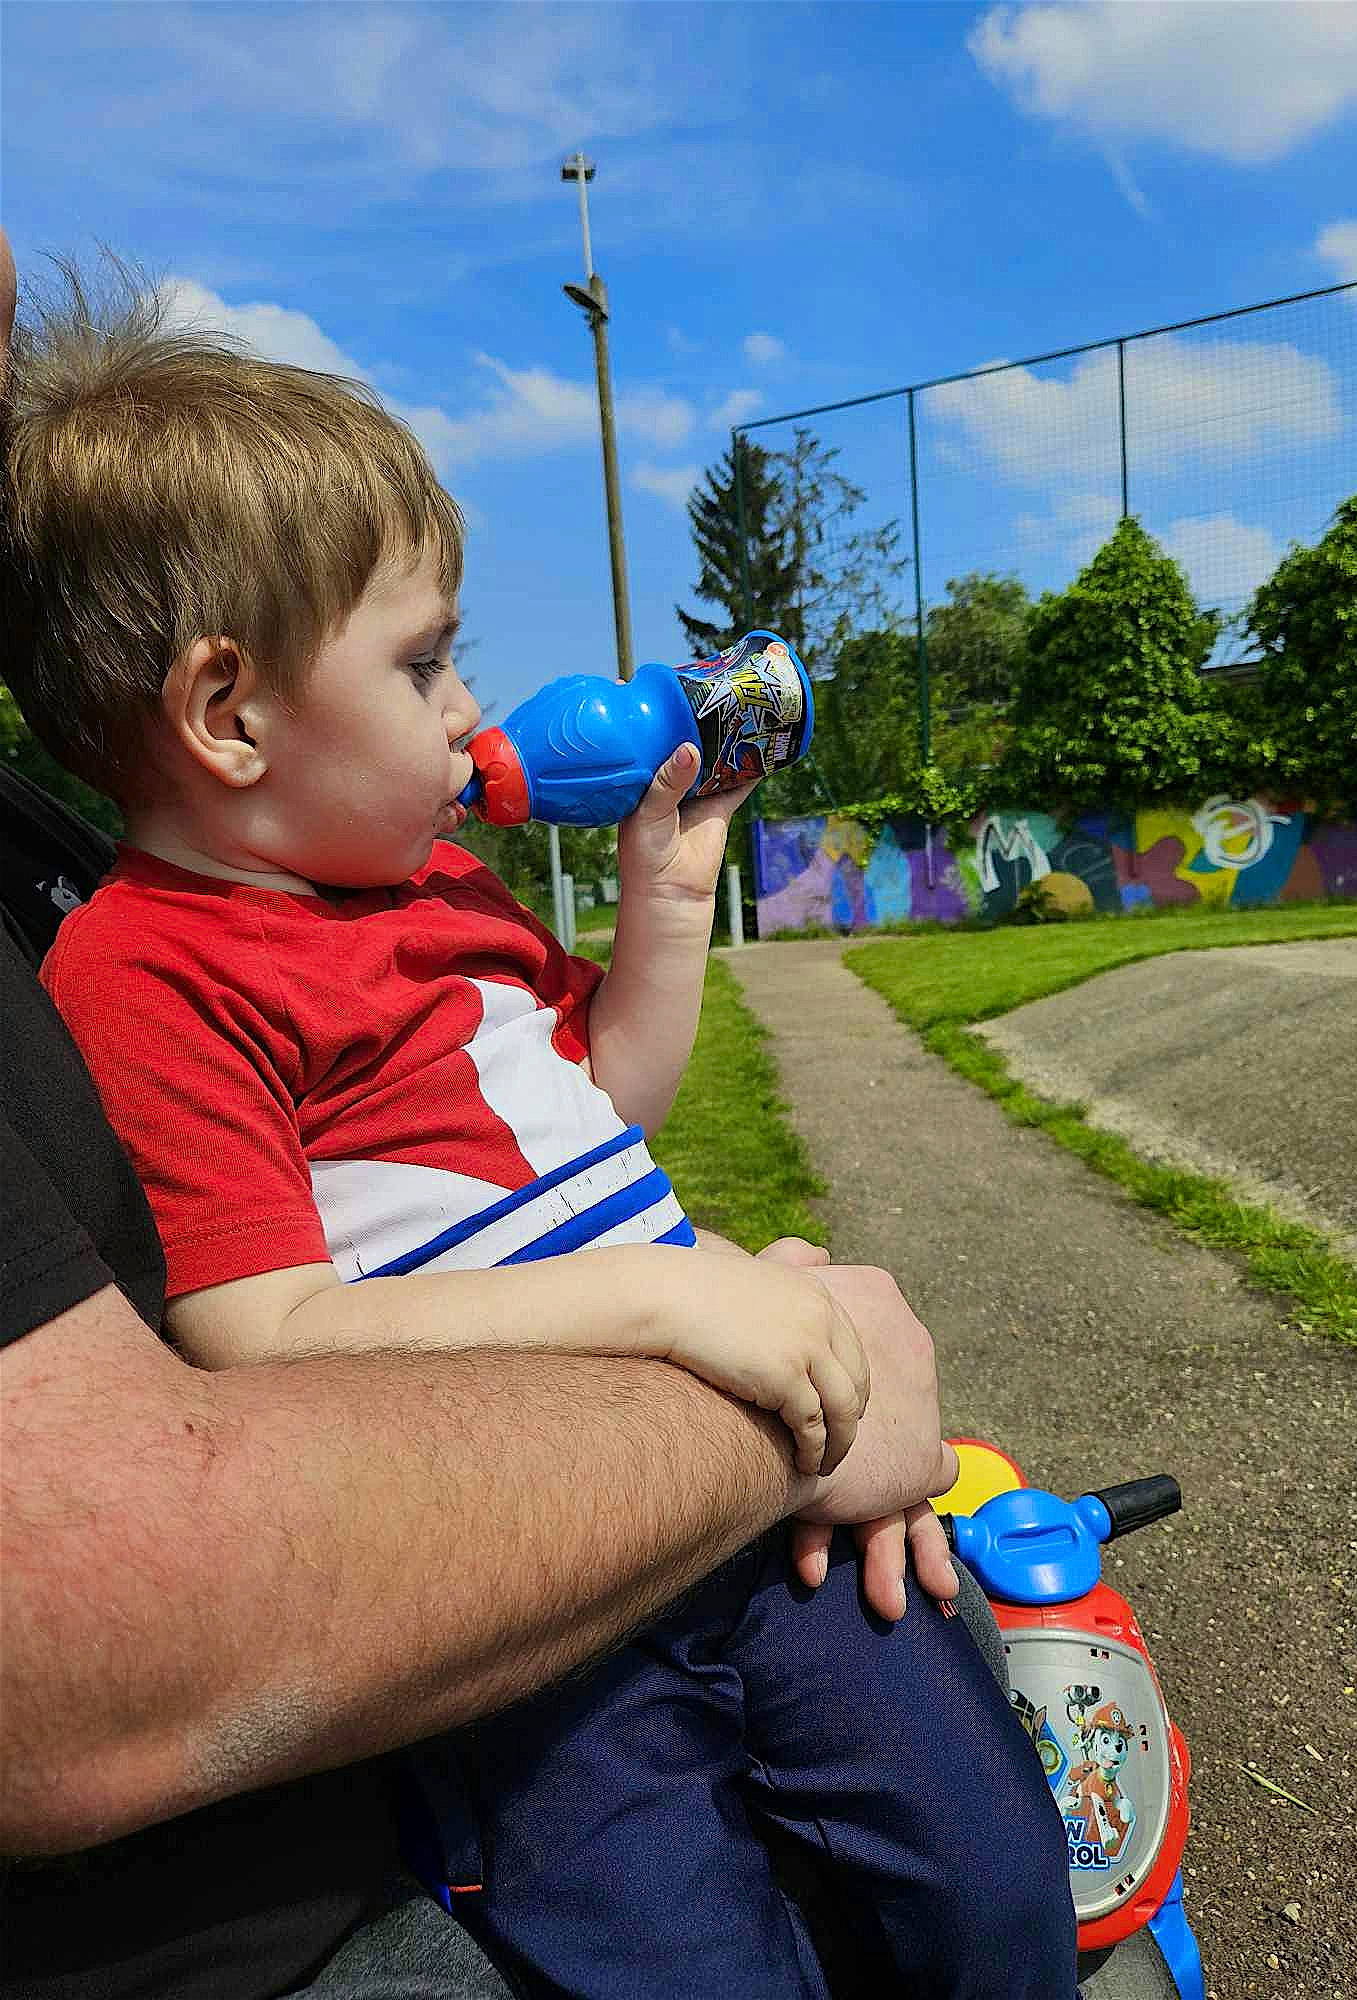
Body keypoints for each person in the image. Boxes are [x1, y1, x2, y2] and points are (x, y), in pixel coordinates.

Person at [2, 255, 1075, 2000]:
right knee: (687, 1965)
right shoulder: (141, 970)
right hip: (520, 1634)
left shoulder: (433, 879)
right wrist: (665, 1308)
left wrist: (664, 904)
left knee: (992, 1869)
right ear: (228, 714)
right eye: (423, 661)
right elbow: (257, 1333)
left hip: (756, 1524)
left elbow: (608, 1104)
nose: (462, 712)